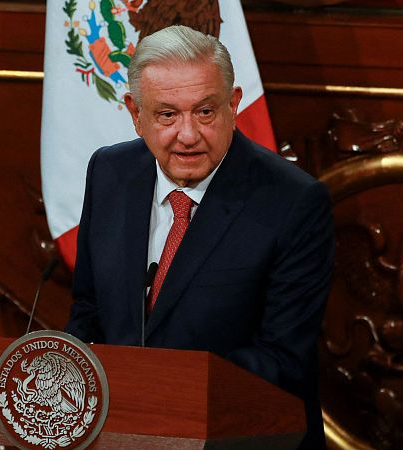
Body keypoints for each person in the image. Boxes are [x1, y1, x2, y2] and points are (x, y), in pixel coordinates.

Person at [64, 25, 334, 449]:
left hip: (238, 438)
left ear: (233, 105)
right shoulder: (110, 172)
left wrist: (161, 394)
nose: (187, 135)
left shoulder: (292, 201)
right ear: (136, 114)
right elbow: (89, 307)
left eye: (205, 112)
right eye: (167, 115)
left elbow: (281, 357)